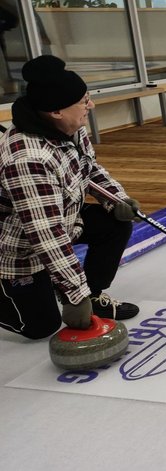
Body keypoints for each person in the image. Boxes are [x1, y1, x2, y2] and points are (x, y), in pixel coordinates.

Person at [0, 55, 140, 340]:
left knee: (114, 223)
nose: (91, 106)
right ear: (56, 111)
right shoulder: (28, 159)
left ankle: (94, 293)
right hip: (19, 249)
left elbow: (89, 167)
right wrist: (76, 295)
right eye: (84, 102)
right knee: (41, 327)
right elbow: (47, 237)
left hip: (64, 220)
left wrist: (116, 198)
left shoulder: (70, 127)